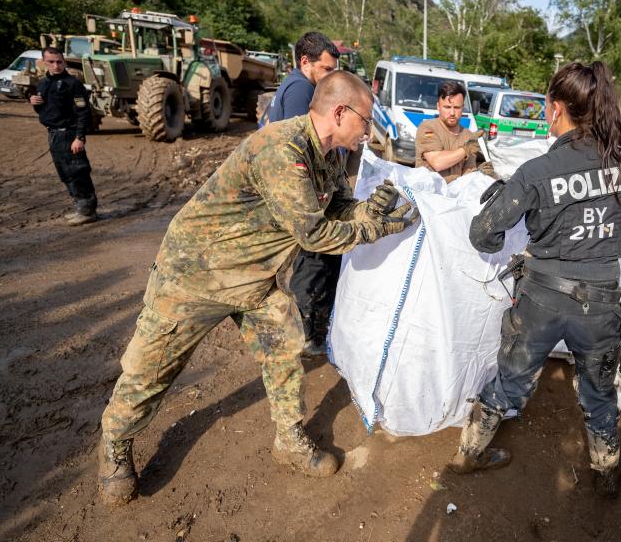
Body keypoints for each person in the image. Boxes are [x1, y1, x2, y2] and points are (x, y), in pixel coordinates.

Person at [98, 71, 418, 506]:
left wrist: (366, 209)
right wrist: (373, 230)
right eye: (365, 120)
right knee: (151, 370)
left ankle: (289, 440)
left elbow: (338, 206)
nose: (368, 130)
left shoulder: (329, 154)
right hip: (197, 273)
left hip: (252, 278)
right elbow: (313, 233)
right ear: (340, 112)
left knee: (285, 347)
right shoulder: (281, 149)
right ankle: (116, 444)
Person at [447, 62, 621, 498]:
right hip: (601, 305)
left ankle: (468, 453)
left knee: (511, 379)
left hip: (541, 302)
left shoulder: (537, 172)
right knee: (598, 390)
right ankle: (607, 473)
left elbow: (484, 235)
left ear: (555, 109)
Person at [259, 32, 343, 357]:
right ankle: (300, 337)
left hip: (294, 191)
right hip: (294, 194)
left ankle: (304, 334)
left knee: (315, 262)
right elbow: (298, 150)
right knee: (312, 265)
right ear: (305, 62)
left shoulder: (301, 84)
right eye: (325, 69)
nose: (329, 77)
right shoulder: (301, 90)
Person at [29, 46, 98, 226]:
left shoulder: (72, 84)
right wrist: (34, 103)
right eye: (51, 62)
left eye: (59, 61)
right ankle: (79, 207)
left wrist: (79, 137)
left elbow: (84, 113)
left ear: (64, 62)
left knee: (78, 172)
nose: (56, 65)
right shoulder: (43, 83)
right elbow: (45, 110)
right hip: (53, 135)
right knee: (66, 174)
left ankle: (88, 211)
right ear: (45, 62)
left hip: (69, 134)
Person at [260, 32, 339, 128]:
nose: (332, 75)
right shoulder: (300, 87)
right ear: (305, 62)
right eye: (327, 69)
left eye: (333, 70)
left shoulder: (294, 80)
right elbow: (297, 138)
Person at [414, 81, 483, 183]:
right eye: (447, 107)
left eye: (457, 108)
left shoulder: (468, 136)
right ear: (438, 106)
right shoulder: (427, 128)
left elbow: (468, 175)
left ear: (462, 108)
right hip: (427, 194)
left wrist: (481, 174)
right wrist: (465, 150)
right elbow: (437, 162)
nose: (452, 113)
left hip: (454, 196)